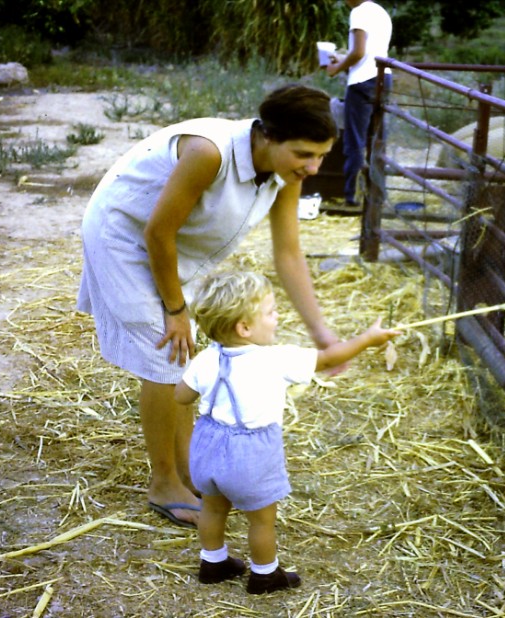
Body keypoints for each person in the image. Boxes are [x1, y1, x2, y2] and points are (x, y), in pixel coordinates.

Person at [77, 84, 340, 529]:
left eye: (322, 156)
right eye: (303, 154)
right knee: (166, 353)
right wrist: (177, 310)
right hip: (124, 234)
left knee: (184, 356)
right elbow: (157, 231)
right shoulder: (210, 152)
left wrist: (321, 331)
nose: (313, 167)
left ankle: (187, 470)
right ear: (268, 136)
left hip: (171, 246)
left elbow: (289, 254)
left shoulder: (283, 173)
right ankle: (163, 483)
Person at [175, 270, 400, 593]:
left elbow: (181, 397)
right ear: (245, 327)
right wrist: (367, 339)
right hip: (251, 455)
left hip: (208, 447)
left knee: (212, 508)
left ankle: (213, 562)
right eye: (271, 312)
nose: (277, 317)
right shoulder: (276, 359)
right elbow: (327, 359)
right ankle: (265, 574)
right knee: (262, 520)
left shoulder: (207, 359)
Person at [325, 0, 392, 207]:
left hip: (362, 81)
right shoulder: (380, 12)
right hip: (383, 77)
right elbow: (370, 52)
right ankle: (376, 193)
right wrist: (345, 62)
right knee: (376, 138)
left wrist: (337, 68)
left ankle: (351, 196)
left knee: (355, 140)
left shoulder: (359, 12)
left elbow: (359, 52)